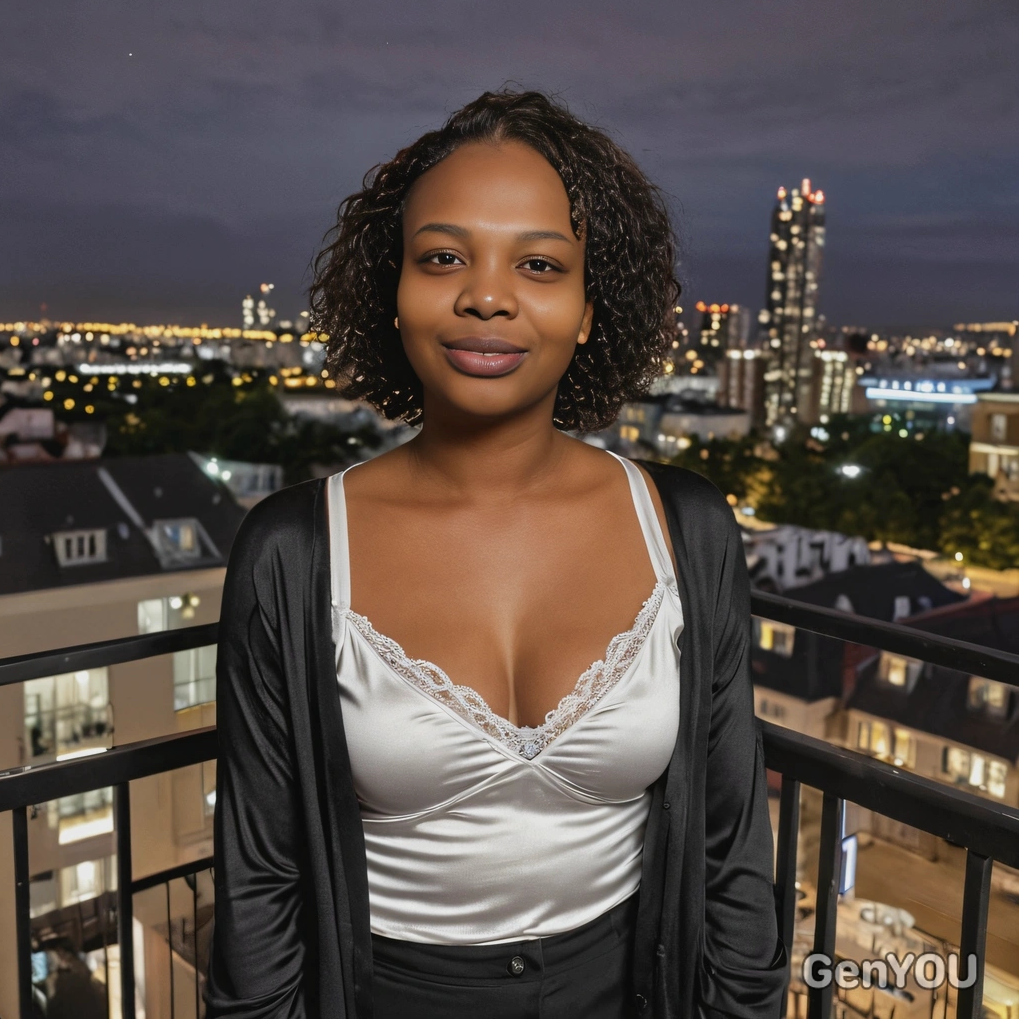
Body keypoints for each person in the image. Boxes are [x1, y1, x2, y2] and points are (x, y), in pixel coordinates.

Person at [204, 89, 788, 1019]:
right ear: (392, 294)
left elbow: (731, 852)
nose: (485, 293)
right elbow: (259, 886)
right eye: (443, 257)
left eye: (540, 264)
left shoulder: (685, 528)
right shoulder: (295, 551)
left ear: (592, 309)